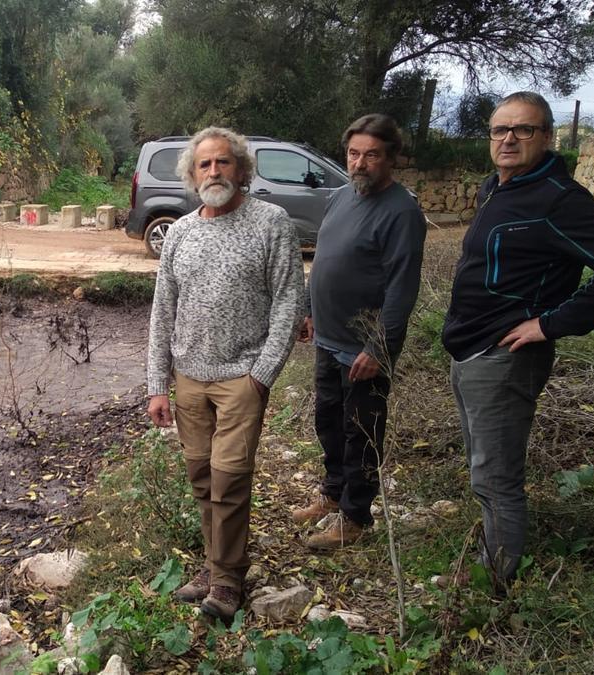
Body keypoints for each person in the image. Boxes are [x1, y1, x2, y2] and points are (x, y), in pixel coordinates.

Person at [443, 91, 594, 587]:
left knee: (496, 476)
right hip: (472, 350)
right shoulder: (498, 187)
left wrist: (549, 324)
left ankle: (494, 583)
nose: (508, 138)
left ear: (548, 137)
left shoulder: (558, 199)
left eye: (523, 129)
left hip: (505, 357)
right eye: (499, 130)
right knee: (482, 470)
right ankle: (492, 558)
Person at [146, 126, 304, 622]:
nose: (214, 171)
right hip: (189, 378)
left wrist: (262, 374)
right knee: (201, 476)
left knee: (229, 479)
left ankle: (229, 582)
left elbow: (288, 301)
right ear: (192, 176)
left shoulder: (271, 222)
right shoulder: (181, 232)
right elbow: (162, 311)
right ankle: (218, 565)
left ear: (242, 168)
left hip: (242, 376)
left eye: (223, 162)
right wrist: (157, 384)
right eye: (204, 164)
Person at [291, 114, 427, 549]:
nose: (360, 163)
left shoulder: (402, 212)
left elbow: (402, 288)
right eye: (353, 153)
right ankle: (333, 493)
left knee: (362, 432)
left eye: (371, 155)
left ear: (391, 159)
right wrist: (310, 309)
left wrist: (379, 347)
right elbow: (323, 258)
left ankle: (355, 516)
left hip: (365, 349)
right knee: (327, 421)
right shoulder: (341, 197)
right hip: (329, 339)